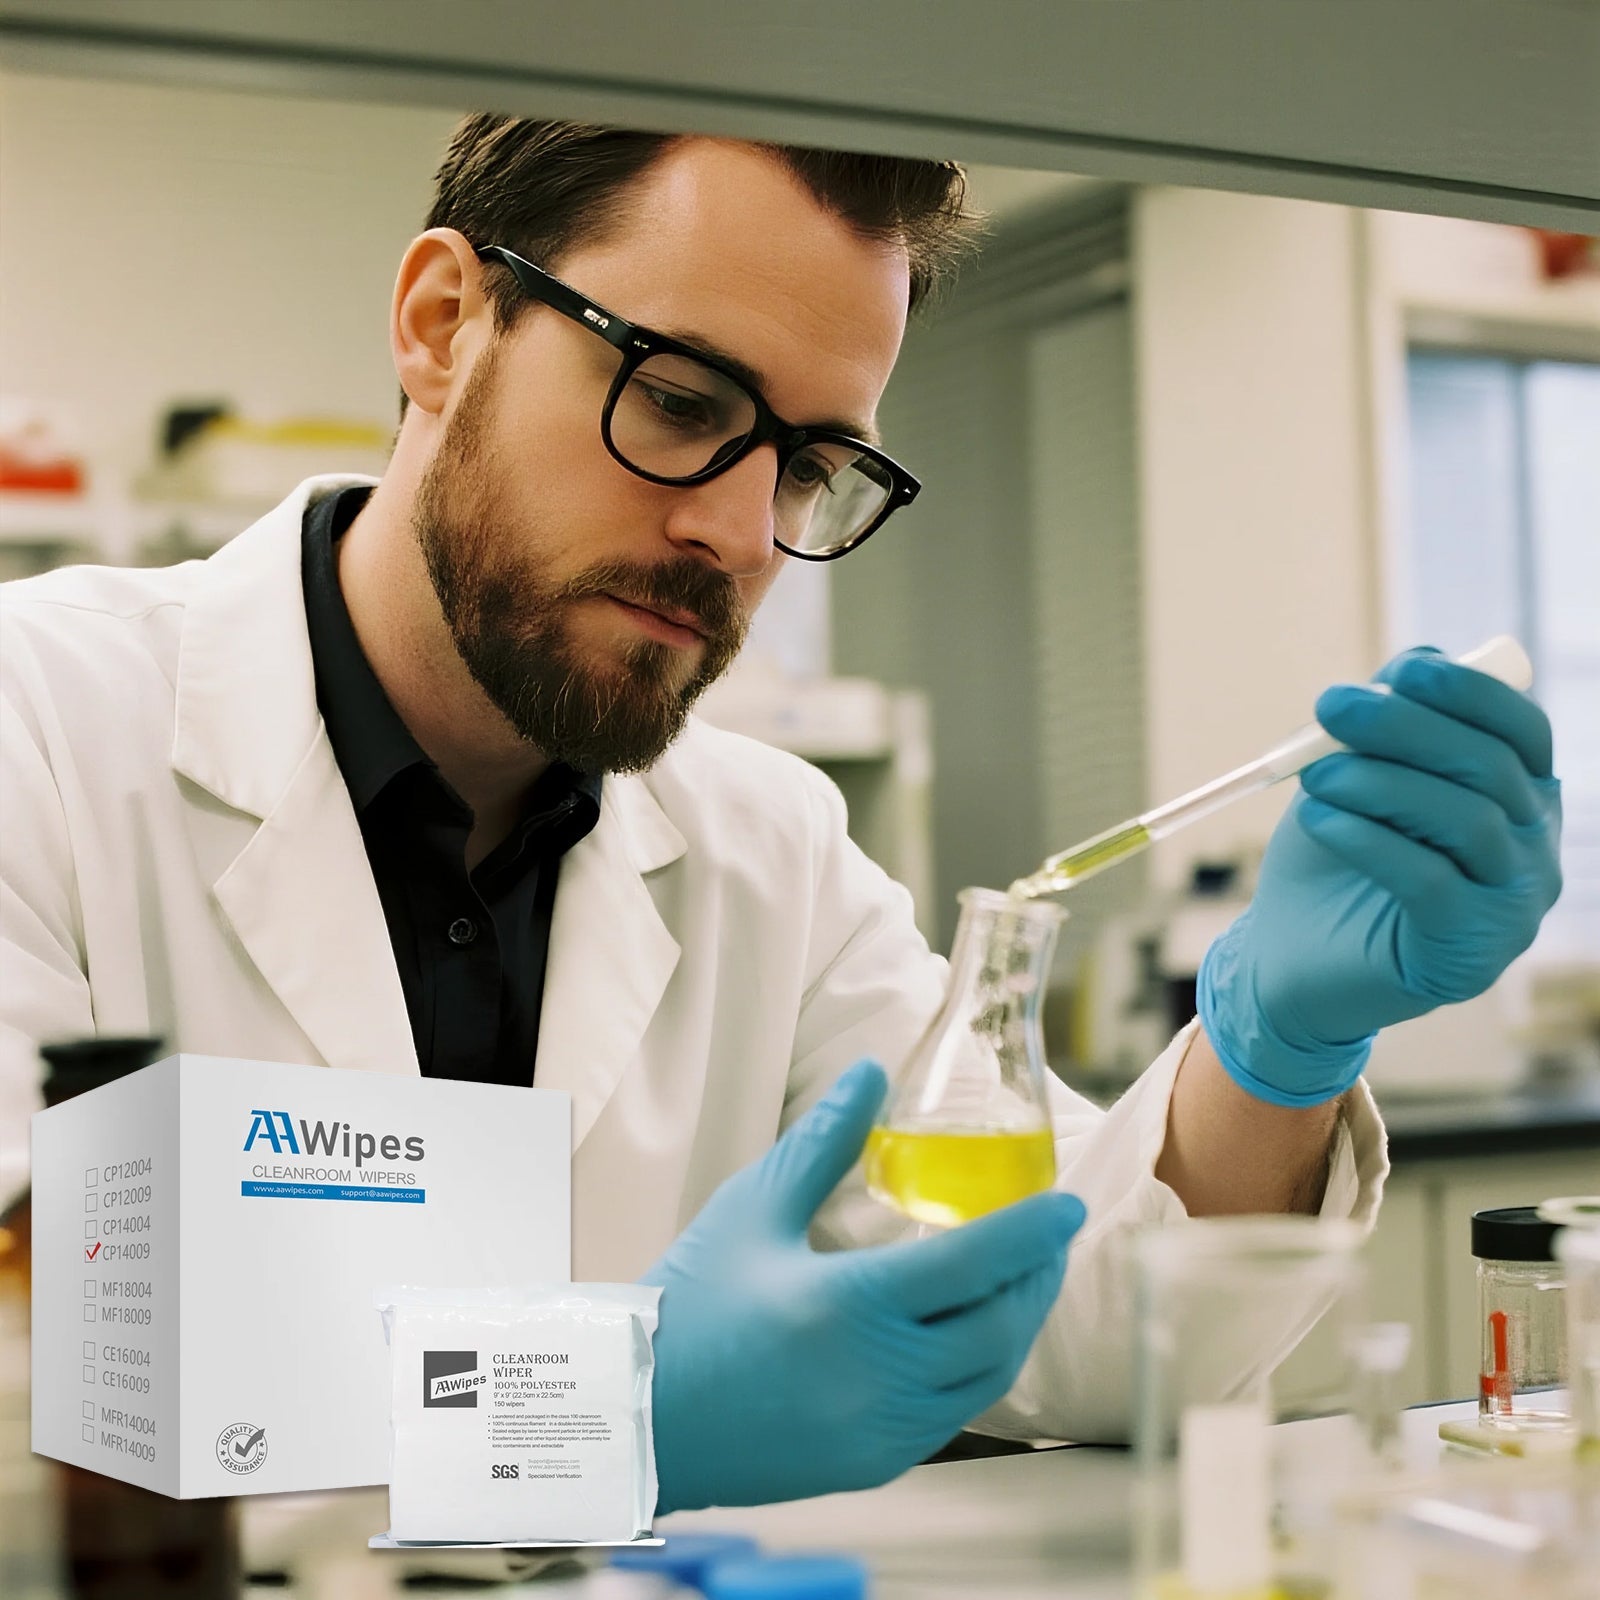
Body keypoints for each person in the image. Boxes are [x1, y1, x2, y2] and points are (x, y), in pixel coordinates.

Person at [0, 120, 1562, 1519]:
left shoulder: (771, 850)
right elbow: (41, 1397)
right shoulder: (45, 734)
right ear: (442, 324)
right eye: (681, 402)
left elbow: (1066, 1323)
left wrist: (1275, 1048)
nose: (739, 534)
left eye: (810, 467)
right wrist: (619, 1409)